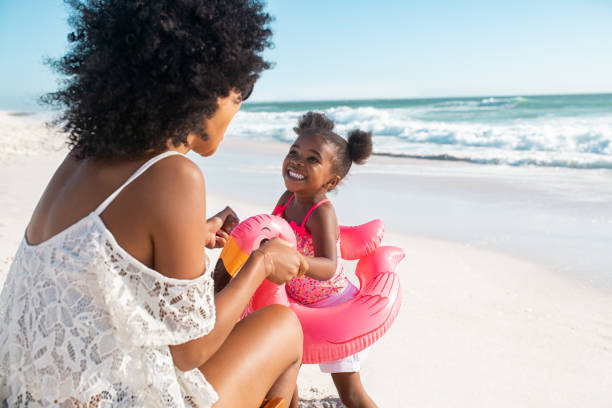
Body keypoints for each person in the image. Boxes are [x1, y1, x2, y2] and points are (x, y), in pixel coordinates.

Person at [0, 1, 308, 407]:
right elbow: (189, 351)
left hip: (29, 393)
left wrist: (191, 233)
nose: (238, 107)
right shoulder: (175, 175)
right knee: (284, 326)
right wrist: (263, 264)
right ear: (205, 87)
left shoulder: (82, 156)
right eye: (241, 93)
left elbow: (90, 259)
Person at [272, 112, 377, 408]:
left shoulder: (321, 212)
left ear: (331, 181)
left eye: (312, 159)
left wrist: (299, 261)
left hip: (331, 306)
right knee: (282, 371)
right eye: (294, 152)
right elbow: (271, 228)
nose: (297, 161)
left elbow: (329, 265)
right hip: (295, 301)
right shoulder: (286, 198)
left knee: (350, 392)